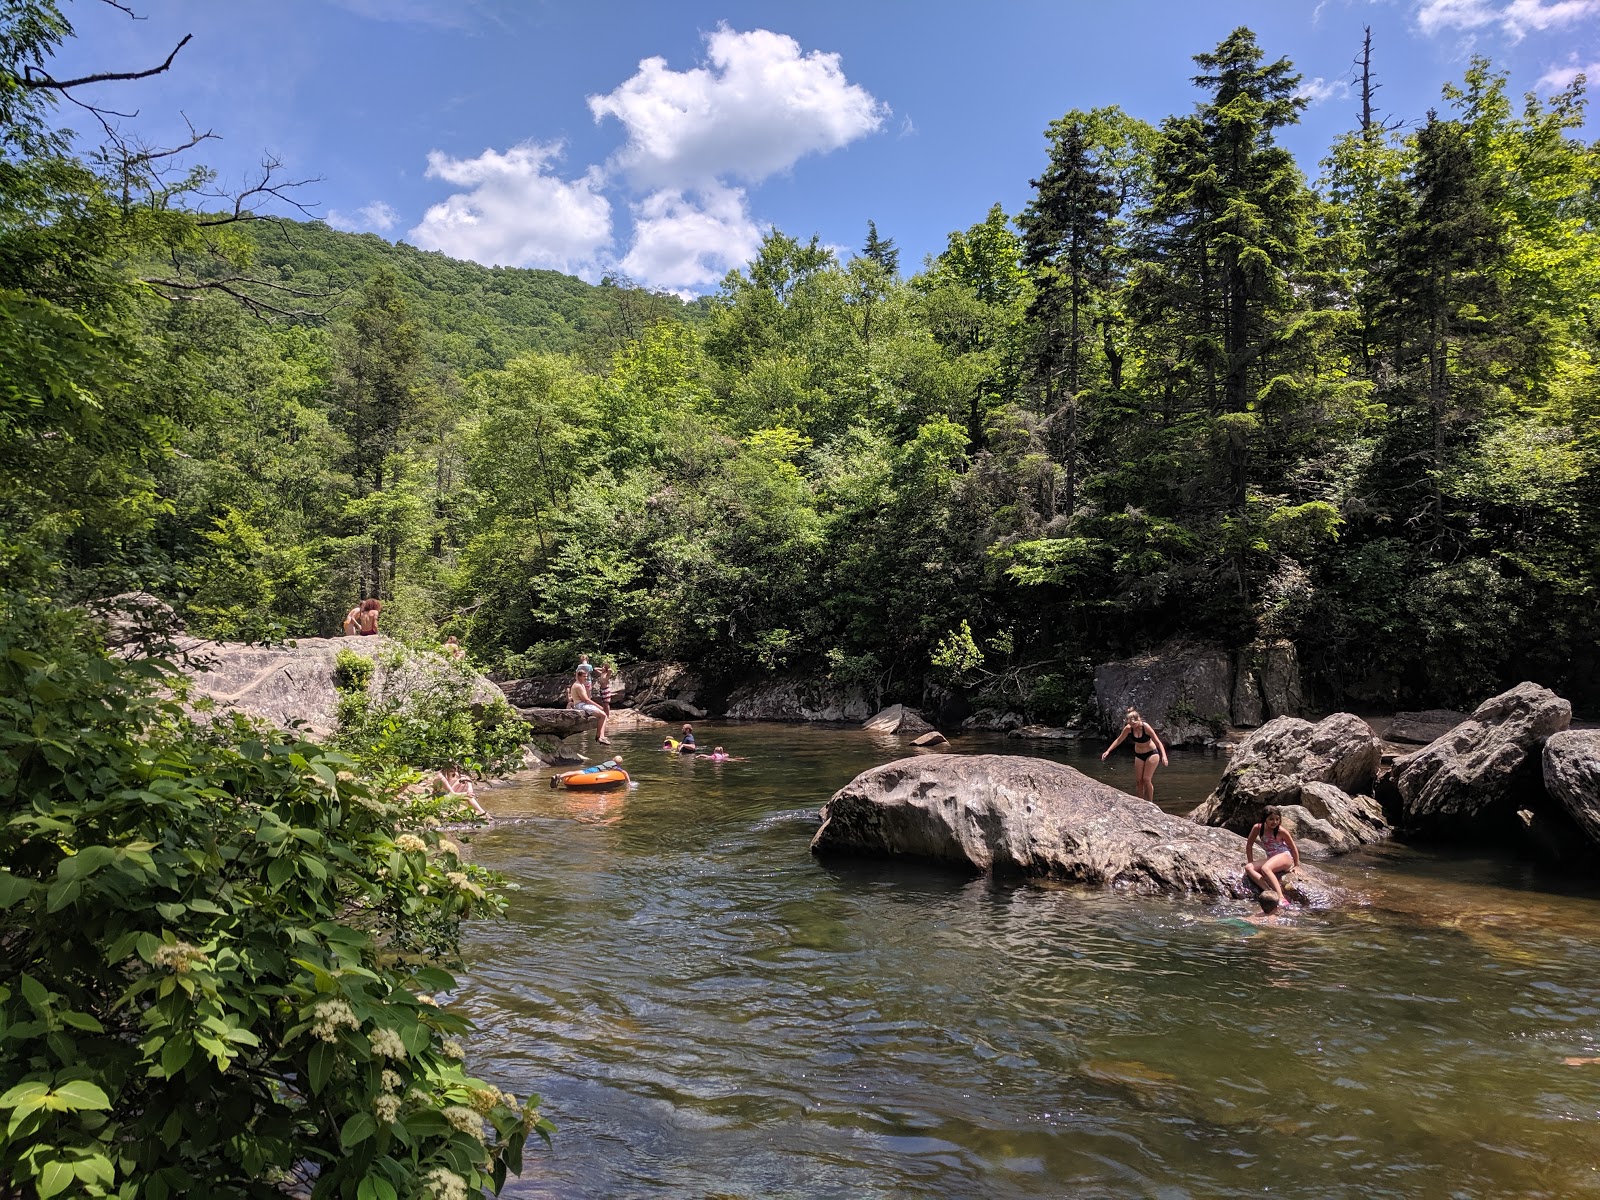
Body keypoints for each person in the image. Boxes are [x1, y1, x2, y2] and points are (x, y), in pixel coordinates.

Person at [1100, 706, 1168, 803]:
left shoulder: (1146, 727)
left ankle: (1150, 802)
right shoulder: (1128, 728)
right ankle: (1140, 802)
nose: (1133, 726)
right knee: (1138, 780)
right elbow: (1119, 740)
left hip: (1151, 754)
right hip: (1139, 755)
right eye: (1130, 724)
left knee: (1146, 779)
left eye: (1134, 724)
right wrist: (1108, 751)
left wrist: (1164, 756)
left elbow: (1158, 742)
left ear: (1138, 720)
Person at [1244, 805, 1300, 908]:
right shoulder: (1257, 828)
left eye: (1277, 819)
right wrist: (1250, 861)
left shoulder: (1281, 831)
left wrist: (1296, 865)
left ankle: (1281, 897)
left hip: (1285, 856)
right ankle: (1268, 890)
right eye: (1271, 819)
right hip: (1272, 858)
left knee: (1265, 868)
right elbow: (1249, 845)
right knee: (1249, 867)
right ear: (1264, 819)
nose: (1274, 822)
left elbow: (1293, 847)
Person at [568, 669, 610, 744]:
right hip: (580, 705)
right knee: (603, 715)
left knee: (604, 716)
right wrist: (599, 706)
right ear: (579, 676)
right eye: (584, 676)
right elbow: (586, 700)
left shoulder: (582, 685)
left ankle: (600, 736)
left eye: (586, 676)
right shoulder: (578, 686)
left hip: (583, 704)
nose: (586, 678)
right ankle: (600, 736)